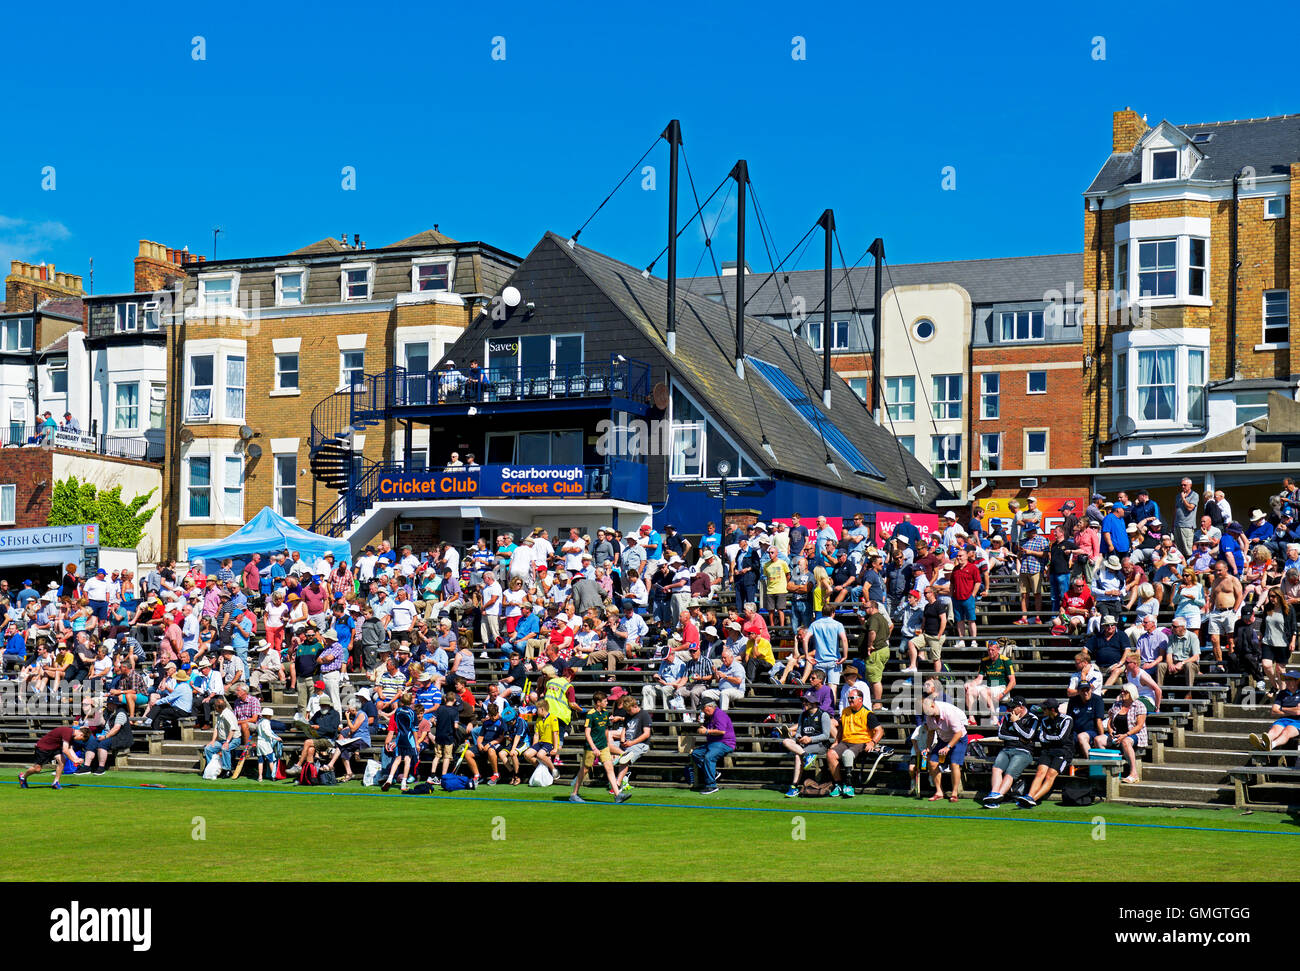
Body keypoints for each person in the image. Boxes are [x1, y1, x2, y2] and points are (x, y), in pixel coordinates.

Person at [568, 690, 627, 803]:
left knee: (609, 768)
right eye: (605, 701)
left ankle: (617, 794)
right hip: (591, 747)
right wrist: (594, 748)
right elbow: (587, 733)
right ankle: (574, 794)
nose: (607, 703)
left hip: (603, 746)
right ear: (598, 702)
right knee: (585, 769)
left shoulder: (605, 714)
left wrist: (608, 744)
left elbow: (605, 730)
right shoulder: (590, 714)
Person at [827, 687, 884, 798]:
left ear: (860, 699)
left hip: (861, 742)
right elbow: (841, 729)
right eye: (848, 698)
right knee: (830, 754)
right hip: (845, 742)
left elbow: (880, 731)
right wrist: (836, 741)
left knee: (847, 754)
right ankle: (838, 785)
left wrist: (872, 743)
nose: (850, 700)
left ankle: (849, 785)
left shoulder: (867, 713)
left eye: (852, 698)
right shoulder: (845, 711)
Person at [982, 695, 1038, 808]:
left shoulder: (1033, 719)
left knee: (1010, 772)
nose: (1010, 710)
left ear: (1021, 707)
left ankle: (997, 798)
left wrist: (1016, 723)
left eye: (1013, 707)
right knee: (996, 768)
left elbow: (1028, 735)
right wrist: (1019, 738)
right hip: (1007, 749)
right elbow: (1001, 734)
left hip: (1024, 751)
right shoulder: (1007, 717)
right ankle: (994, 793)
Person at [1016, 698, 1074, 808]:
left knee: (1050, 775)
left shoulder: (1066, 719)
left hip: (1064, 751)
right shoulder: (1044, 720)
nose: (1042, 710)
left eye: (1044, 708)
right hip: (1048, 750)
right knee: (1040, 773)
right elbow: (1041, 738)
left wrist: (1048, 738)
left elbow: (1062, 739)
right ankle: (1029, 796)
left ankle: (1033, 799)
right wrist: (1050, 739)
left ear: (1052, 709)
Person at [781, 693, 833, 796]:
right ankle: (807, 756)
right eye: (803, 701)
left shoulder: (823, 715)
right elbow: (799, 731)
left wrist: (810, 739)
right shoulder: (802, 715)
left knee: (797, 755)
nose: (803, 703)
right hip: (805, 745)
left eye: (806, 701)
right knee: (785, 741)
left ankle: (794, 786)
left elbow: (826, 736)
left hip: (820, 745)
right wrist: (799, 738)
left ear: (814, 702)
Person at [1095, 683, 1147, 783]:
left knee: (1126, 742)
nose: (1122, 693)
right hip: (1117, 733)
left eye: (1125, 692)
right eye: (1121, 691)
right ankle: (1109, 768)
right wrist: (1110, 730)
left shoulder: (1139, 705)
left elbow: (1139, 726)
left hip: (1134, 734)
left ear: (1131, 693)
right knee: (1098, 739)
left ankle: (1133, 773)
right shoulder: (1117, 704)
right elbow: (1110, 720)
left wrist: (1126, 735)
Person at [921, 694, 969, 802]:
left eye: (928, 712)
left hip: (959, 738)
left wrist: (948, 747)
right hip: (943, 738)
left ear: (933, 705)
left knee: (954, 764)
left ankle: (954, 793)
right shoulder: (929, 716)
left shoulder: (949, 713)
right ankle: (939, 792)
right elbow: (931, 732)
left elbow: (958, 733)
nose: (928, 715)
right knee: (932, 762)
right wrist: (928, 748)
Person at [964, 640, 1016, 727]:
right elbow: (979, 679)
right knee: (970, 691)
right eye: (989, 650)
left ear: (998, 650)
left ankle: (994, 718)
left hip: (1001, 687)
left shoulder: (1005, 661)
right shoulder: (984, 660)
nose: (990, 652)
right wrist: (970, 684)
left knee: (985, 691)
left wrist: (1002, 694)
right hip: (988, 686)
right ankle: (971, 718)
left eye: (993, 650)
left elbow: (1013, 681)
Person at [19, 724, 87, 789]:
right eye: (81, 738)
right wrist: (74, 760)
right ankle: (23, 776)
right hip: (43, 748)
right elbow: (65, 750)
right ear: (81, 734)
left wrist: (77, 758)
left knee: (62, 761)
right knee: (37, 769)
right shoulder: (68, 732)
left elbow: (69, 748)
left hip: (55, 748)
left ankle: (55, 782)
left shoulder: (72, 735)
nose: (79, 740)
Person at [689, 700, 735, 795]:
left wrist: (706, 731)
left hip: (724, 743)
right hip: (713, 743)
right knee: (695, 754)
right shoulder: (710, 716)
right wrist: (702, 724)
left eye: (703, 708)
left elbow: (721, 731)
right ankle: (713, 773)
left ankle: (711, 785)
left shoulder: (719, 714)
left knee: (709, 758)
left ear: (709, 706)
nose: (702, 711)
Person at [1249, 669, 1300, 751]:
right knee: (1273, 731)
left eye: (1289, 679)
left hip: (1298, 722)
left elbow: (1298, 712)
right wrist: (1292, 710)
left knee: (1286, 732)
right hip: (1283, 720)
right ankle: (1263, 744)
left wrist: (1282, 708)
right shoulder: (1282, 693)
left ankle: (1271, 745)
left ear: (1297, 681)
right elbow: (1274, 711)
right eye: (1286, 679)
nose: (1287, 681)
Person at [1068, 679, 1106, 758]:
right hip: (1075, 731)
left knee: (1081, 736)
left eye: (1087, 690)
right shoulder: (1073, 700)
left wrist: (1101, 737)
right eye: (1082, 690)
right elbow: (1069, 719)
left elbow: (1099, 720)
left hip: (1092, 732)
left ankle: (1092, 764)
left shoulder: (1097, 700)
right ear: (1078, 691)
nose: (1085, 693)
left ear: (1091, 689)